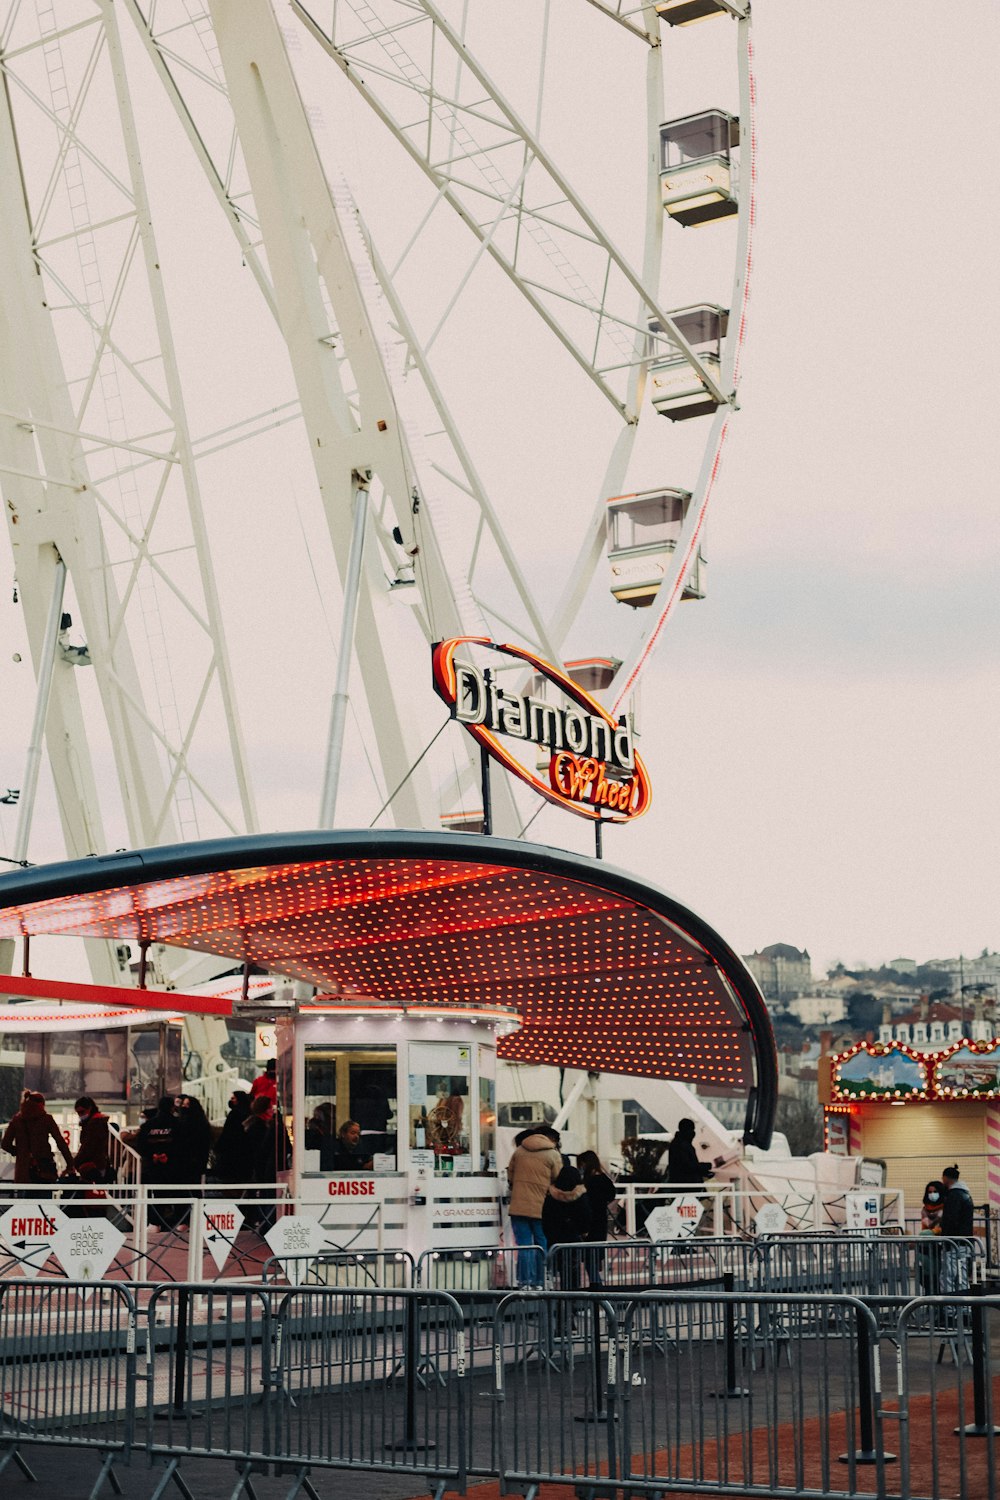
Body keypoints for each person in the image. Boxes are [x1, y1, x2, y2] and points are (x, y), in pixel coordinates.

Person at [506, 1129, 562, 1286]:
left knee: (524, 1245)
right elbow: (558, 1178)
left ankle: (524, 1281)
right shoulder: (553, 1154)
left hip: (519, 1206)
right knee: (541, 1244)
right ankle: (540, 1280)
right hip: (542, 1207)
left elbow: (510, 1176)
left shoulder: (519, 1151)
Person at [1, 1091, 74, 1184]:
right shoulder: (46, 1119)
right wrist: (70, 1164)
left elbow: (5, 1144)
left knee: (25, 1197)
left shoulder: (16, 1120)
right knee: (43, 1196)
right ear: (41, 1105)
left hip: (24, 1172)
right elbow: (60, 1141)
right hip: (44, 1170)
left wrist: (21, 1153)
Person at [542, 1164, 591, 1290]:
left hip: (556, 1239)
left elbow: (546, 1219)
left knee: (561, 1269)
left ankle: (561, 1299)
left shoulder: (551, 1197)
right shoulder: (580, 1196)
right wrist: (584, 1231)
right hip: (574, 1238)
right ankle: (573, 1297)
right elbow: (585, 1217)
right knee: (573, 1269)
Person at [135, 1096, 181, 1227]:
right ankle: (178, 1222)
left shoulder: (148, 1126)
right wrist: (168, 1156)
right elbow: (181, 1144)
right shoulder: (177, 1124)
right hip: (172, 1166)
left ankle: (154, 1223)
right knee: (175, 1194)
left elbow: (141, 1145)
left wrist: (153, 1156)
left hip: (152, 1167)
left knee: (153, 1195)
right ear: (172, 1107)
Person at [577, 1150, 618, 1286]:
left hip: (589, 1221)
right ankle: (597, 1284)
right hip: (600, 1220)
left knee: (589, 1258)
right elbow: (611, 1195)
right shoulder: (604, 1179)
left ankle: (596, 1285)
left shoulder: (587, 1182)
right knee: (595, 1257)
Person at [212, 1091, 254, 1183]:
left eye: (233, 1098)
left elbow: (227, 1132)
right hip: (243, 1151)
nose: (231, 1100)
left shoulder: (234, 1114)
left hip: (232, 1150)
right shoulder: (248, 1113)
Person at [71, 1096, 111, 1184]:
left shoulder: (94, 1124)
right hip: (98, 1163)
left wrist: (75, 1162)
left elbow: (88, 1146)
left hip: (95, 1164)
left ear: (90, 1108)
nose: (80, 1115)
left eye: (82, 1112)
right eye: (78, 1113)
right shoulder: (97, 1122)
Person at [666, 1118, 715, 1186]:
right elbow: (687, 1166)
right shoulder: (682, 1145)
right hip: (686, 1184)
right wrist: (705, 1166)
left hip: (682, 1183)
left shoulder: (678, 1143)